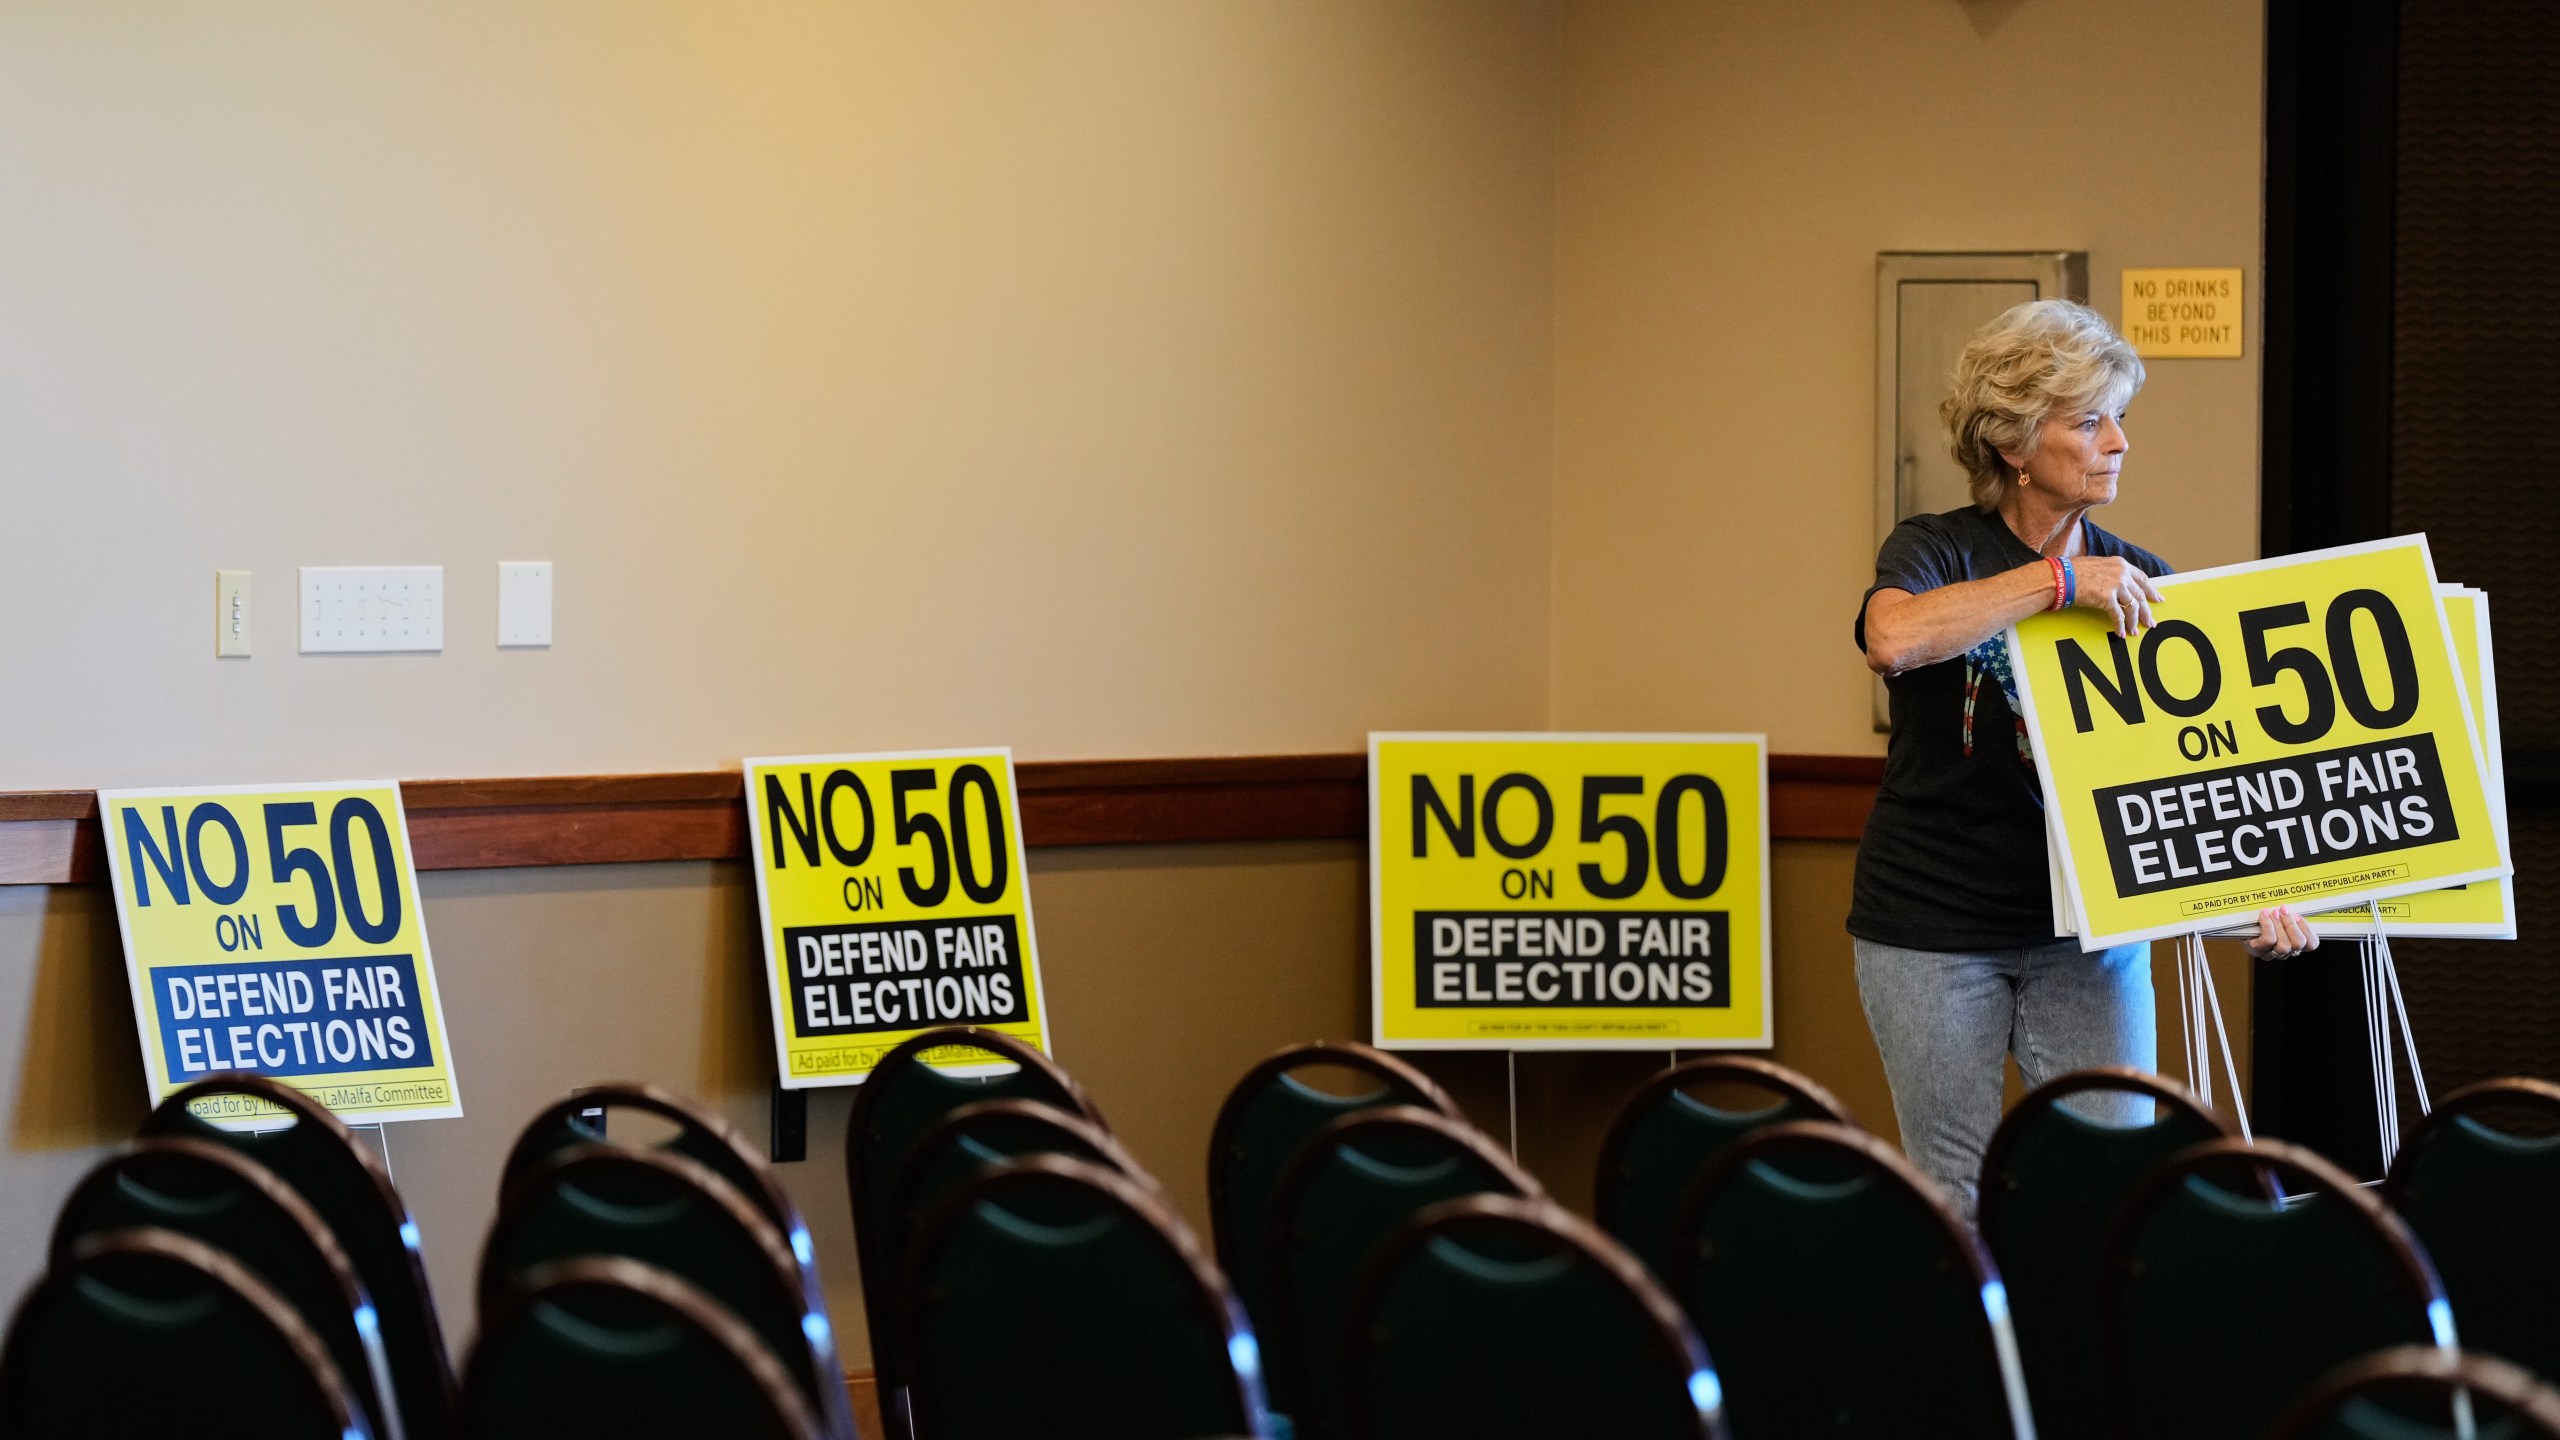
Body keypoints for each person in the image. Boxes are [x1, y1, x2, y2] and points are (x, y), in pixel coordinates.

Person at [1851, 298, 2317, 1219]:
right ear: (2017, 442)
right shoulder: (1935, 547)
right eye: (2091, 421)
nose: (2119, 443)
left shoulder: (2145, 576)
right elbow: (1893, 640)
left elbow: (2198, 764)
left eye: (2120, 419)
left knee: (2111, 1184)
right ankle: (1982, 1366)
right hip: (1929, 927)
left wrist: (2263, 881)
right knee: (1956, 1197)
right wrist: (2058, 583)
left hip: (2090, 935)